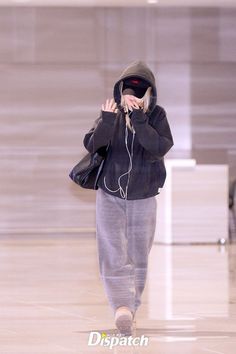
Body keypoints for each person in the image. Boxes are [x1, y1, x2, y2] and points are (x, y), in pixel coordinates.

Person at [83, 61, 174, 336]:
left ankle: (130, 308)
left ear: (149, 92)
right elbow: (91, 145)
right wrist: (108, 121)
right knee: (111, 252)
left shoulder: (156, 115)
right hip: (110, 193)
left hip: (143, 196)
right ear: (120, 89)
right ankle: (120, 307)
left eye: (140, 88)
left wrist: (140, 120)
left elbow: (158, 147)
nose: (133, 93)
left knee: (138, 255)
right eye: (128, 88)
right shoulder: (111, 113)